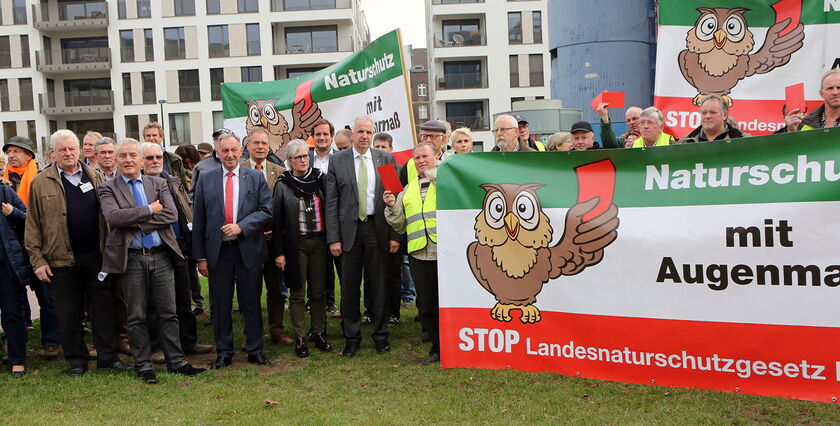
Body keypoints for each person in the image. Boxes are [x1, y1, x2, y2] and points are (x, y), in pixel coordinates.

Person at [98, 139, 205, 384]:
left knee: (169, 313)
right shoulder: (108, 188)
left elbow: (171, 214)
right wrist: (149, 209)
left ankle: (176, 361)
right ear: (116, 160)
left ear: (140, 160)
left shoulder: (157, 183)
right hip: (133, 260)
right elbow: (114, 217)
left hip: (161, 256)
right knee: (136, 316)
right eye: (122, 155)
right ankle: (143, 365)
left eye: (132, 155)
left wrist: (136, 221)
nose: (127, 160)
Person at [24, 130, 129, 377]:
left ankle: (108, 357)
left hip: (96, 257)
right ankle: (77, 361)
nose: (69, 153)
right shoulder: (40, 182)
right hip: (60, 260)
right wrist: (38, 261)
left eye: (72, 149)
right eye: (63, 150)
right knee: (68, 312)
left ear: (80, 150)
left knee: (103, 310)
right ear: (53, 153)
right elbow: (32, 226)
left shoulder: (95, 177)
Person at [193, 133, 273, 369]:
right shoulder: (206, 178)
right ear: (218, 153)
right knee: (220, 304)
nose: (229, 155)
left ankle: (255, 350)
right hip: (219, 252)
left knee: (251, 303)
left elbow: (266, 211)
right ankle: (224, 352)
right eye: (224, 151)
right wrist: (200, 256)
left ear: (241, 151)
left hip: (248, 249)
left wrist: (242, 227)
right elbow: (199, 220)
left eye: (233, 150)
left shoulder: (256, 178)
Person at [325, 116, 401, 357]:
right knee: (349, 288)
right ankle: (352, 337)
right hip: (349, 232)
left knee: (379, 285)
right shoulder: (337, 160)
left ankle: (380, 336)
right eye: (360, 131)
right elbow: (332, 201)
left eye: (369, 132)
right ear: (352, 134)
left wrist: (394, 235)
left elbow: (394, 201)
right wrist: (333, 238)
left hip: (377, 229)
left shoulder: (385, 159)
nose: (364, 136)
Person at [141, 142, 212, 356]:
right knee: (155, 304)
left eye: (158, 157)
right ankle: (157, 347)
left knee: (183, 299)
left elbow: (183, 211)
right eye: (150, 158)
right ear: (140, 161)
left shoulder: (172, 180)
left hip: (179, 247)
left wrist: (190, 242)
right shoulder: (137, 184)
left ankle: (188, 342)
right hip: (156, 249)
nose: (155, 161)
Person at [272, 139, 334, 357]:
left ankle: (317, 332)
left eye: (305, 156)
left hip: (319, 243)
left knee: (318, 291)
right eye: (297, 157)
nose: (302, 160)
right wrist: (279, 252)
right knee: (297, 292)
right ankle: (299, 337)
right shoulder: (283, 183)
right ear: (289, 161)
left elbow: (331, 209)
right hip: (295, 245)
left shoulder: (320, 179)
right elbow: (277, 221)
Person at [384, 142, 441, 365]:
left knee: (445, 303)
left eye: (425, 156)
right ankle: (436, 348)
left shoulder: (446, 182)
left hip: (444, 252)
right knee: (426, 303)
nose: (421, 161)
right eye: (416, 158)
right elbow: (398, 225)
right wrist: (390, 206)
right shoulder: (407, 190)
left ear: (435, 156)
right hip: (419, 254)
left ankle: (455, 344)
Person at [4, 136, 60, 358]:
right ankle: (17, 342)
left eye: (17, 151)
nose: (12, 155)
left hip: (39, 246)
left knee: (46, 296)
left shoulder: (41, 178)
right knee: (13, 301)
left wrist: (15, 213)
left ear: (29, 156)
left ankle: (51, 340)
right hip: (12, 248)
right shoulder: (4, 182)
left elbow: (42, 218)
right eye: (9, 151)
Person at [240, 127, 293, 345]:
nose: (261, 147)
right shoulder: (239, 169)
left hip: (273, 241)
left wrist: (276, 230)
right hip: (248, 239)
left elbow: (284, 206)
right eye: (256, 143)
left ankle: (277, 330)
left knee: (276, 288)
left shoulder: (279, 171)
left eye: (264, 143)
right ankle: (250, 334)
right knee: (249, 289)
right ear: (247, 146)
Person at [309, 119, 340, 316]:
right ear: (313, 137)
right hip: (313, 219)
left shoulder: (341, 158)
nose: (321, 138)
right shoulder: (304, 158)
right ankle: (319, 301)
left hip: (338, 218)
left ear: (331, 137)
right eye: (318, 134)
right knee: (317, 265)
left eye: (325, 134)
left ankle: (341, 304)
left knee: (340, 264)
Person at [0, 177, 31, 376]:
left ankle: (17, 359)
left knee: (12, 313)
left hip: (6, 265)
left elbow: (29, 218)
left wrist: (13, 213)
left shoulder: (5, 192)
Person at [678, 95, 751, 143]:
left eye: (712, 112)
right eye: (704, 113)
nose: (707, 116)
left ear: (724, 115)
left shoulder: (744, 140)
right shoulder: (685, 142)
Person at [143, 122, 188, 189]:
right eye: (148, 136)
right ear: (144, 138)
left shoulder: (175, 160)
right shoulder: (138, 160)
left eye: (154, 135)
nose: (151, 138)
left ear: (161, 137)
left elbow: (183, 188)